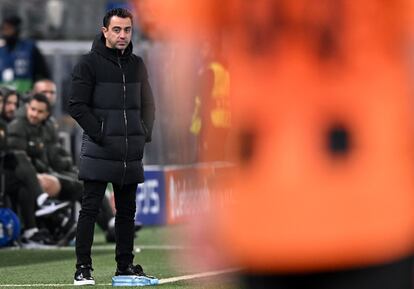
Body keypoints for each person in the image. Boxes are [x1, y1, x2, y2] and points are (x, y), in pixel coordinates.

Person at [68, 8, 155, 285]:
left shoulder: (138, 64)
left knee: (127, 212)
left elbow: (149, 104)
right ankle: (83, 268)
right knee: (90, 210)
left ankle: (125, 266)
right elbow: (76, 106)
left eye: (127, 30)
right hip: (99, 149)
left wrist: (143, 133)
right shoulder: (87, 64)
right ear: (105, 31)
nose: (122, 35)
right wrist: (102, 133)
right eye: (117, 30)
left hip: (130, 151)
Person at [0, 15, 50, 93]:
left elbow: (42, 73)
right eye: (4, 29)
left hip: (25, 93)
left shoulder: (29, 48)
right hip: (4, 96)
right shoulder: (1, 48)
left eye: (9, 28)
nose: (6, 32)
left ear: (16, 29)